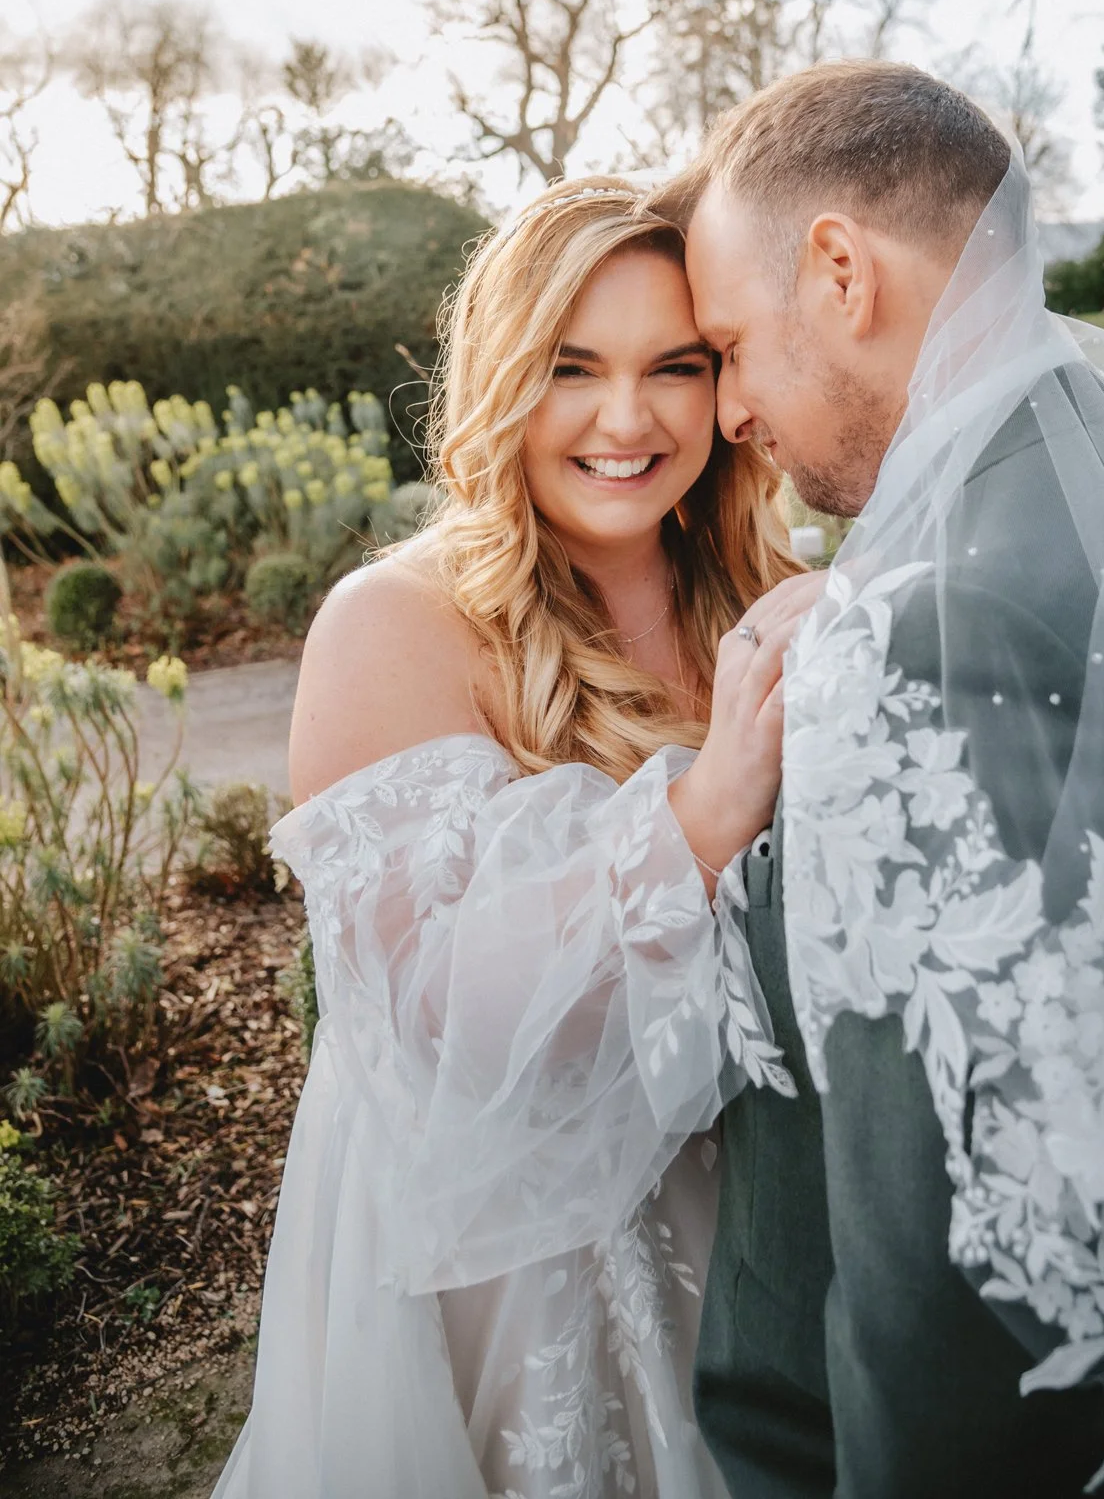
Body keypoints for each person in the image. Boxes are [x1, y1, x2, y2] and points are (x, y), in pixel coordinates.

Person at [669, 61, 1104, 1498]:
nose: (727, 407)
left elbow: (936, 1285)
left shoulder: (909, 632)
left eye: (728, 341)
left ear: (839, 272)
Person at [212, 177, 821, 1499]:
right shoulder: (394, 625)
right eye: (569, 368)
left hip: (759, 1230)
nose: (627, 418)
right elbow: (434, 1011)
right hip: (517, 1273)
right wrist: (707, 811)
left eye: (675, 366)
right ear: (500, 379)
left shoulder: (768, 599)